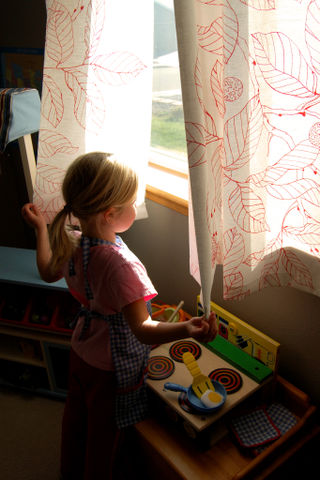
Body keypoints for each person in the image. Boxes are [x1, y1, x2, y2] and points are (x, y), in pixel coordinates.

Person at [21, 151, 217, 480]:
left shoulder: (71, 241)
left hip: (82, 351)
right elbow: (141, 328)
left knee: (77, 417)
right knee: (105, 435)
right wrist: (187, 329)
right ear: (111, 213)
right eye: (133, 202)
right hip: (110, 368)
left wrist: (41, 227)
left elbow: (45, 270)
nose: (137, 207)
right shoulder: (121, 266)